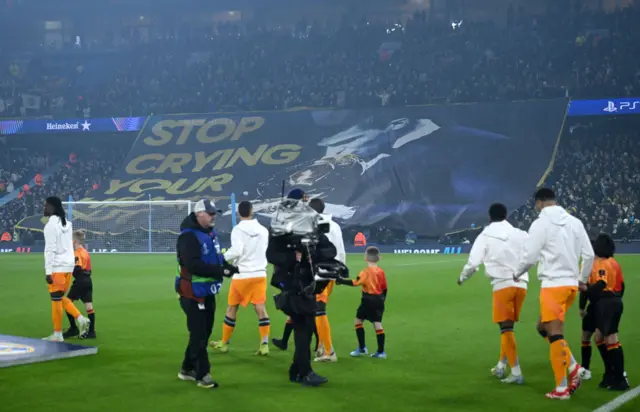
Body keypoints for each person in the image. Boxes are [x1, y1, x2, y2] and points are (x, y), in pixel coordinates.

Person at [514, 188, 594, 400]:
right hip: (570, 286)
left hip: (552, 284)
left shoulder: (540, 224)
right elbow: (589, 254)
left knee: (555, 333)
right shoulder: (575, 222)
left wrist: (517, 273)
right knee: (543, 327)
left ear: (539, 203)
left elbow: (530, 256)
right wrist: (582, 279)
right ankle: (574, 365)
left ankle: (561, 388)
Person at [266, 196, 336, 387]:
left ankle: (297, 370)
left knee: (304, 329)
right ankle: (304, 372)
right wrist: (294, 256)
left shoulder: (311, 230)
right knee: (304, 329)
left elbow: (330, 250)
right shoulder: (281, 233)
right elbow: (271, 255)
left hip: (307, 284)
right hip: (293, 286)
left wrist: (311, 250)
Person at [458, 203, 528, 384]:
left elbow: (473, 263)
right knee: (508, 329)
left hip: (502, 284)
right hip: (522, 285)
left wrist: (462, 277)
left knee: (506, 329)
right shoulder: (520, 234)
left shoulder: (485, 235)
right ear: (506, 215)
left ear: (489, 217)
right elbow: (532, 254)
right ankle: (500, 366)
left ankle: (516, 372)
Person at [176, 199, 238, 389]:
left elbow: (216, 258)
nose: (213, 216)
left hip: (207, 291)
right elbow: (192, 265)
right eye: (210, 213)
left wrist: (228, 267)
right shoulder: (188, 237)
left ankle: (187, 368)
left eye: (214, 213)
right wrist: (221, 271)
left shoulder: (210, 233)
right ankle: (203, 375)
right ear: (198, 214)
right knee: (200, 334)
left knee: (203, 333)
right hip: (192, 292)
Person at [210, 201, 271, 355]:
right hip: (259, 274)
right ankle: (264, 344)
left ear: (238, 213)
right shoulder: (263, 230)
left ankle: (224, 343)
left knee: (232, 307)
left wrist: (222, 257)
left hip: (242, 274)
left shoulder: (238, 229)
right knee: (260, 308)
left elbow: (237, 251)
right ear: (252, 211)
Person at [579, 233, 629, 391]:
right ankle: (610, 373)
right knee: (600, 338)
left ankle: (620, 378)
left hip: (606, 302)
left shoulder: (601, 263)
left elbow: (602, 283)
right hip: (612, 301)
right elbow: (622, 285)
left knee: (611, 339)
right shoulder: (614, 262)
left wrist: (587, 289)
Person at [43, 196, 90, 342]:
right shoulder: (68, 224)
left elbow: (50, 249)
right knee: (60, 298)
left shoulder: (50, 226)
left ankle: (59, 332)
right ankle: (79, 319)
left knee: (56, 300)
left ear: (51, 207)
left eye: (45, 206)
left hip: (57, 267)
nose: (44, 208)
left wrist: (48, 271)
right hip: (68, 267)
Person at [309, 197, 345, 362]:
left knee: (319, 310)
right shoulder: (335, 226)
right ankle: (322, 346)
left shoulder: (313, 226)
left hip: (320, 274)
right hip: (332, 272)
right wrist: (341, 271)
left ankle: (329, 352)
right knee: (318, 310)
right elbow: (342, 251)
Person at [336, 246, 388, 359]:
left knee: (358, 320)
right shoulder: (381, 272)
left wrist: (341, 281)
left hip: (368, 299)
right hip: (379, 299)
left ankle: (362, 348)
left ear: (365, 258)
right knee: (377, 323)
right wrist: (383, 300)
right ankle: (381, 352)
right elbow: (384, 288)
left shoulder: (366, 272)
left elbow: (356, 282)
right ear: (379, 258)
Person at [63, 229, 97, 339]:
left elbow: (77, 268)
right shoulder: (85, 252)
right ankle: (92, 332)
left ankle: (74, 328)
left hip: (80, 281)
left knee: (67, 302)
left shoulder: (77, 253)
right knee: (89, 306)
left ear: (75, 241)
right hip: (88, 280)